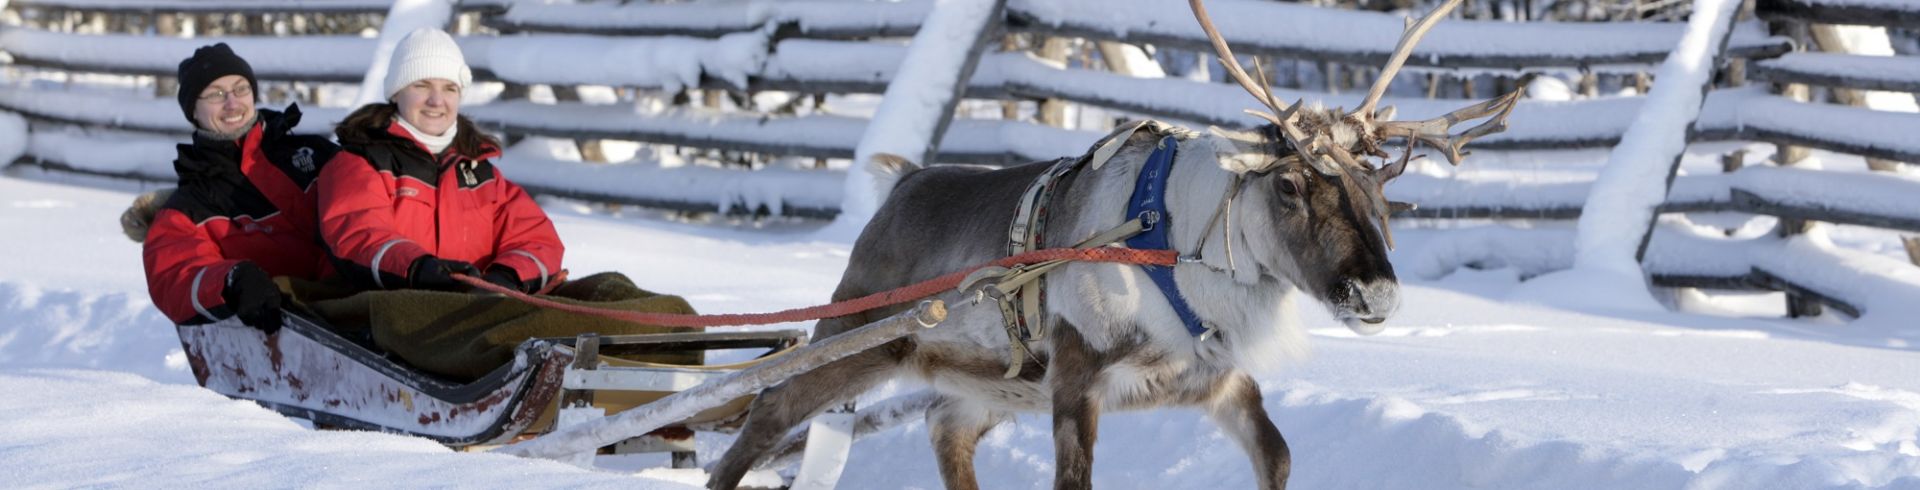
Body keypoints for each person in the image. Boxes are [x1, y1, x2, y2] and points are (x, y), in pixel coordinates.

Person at [318, 28, 562, 294]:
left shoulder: (480, 172)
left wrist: (506, 276)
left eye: (449, 88)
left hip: (468, 313)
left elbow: (538, 239)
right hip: (386, 314)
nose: (436, 101)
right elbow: (358, 235)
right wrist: (418, 269)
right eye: (421, 85)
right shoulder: (361, 161)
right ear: (396, 92)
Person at [141, 43, 341, 334]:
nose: (232, 103)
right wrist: (231, 279)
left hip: (364, 295)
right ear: (193, 111)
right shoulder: (193, 204)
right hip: (295, 329)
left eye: (240, 89)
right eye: (216, 95)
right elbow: (173, 275)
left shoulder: (313, 153)